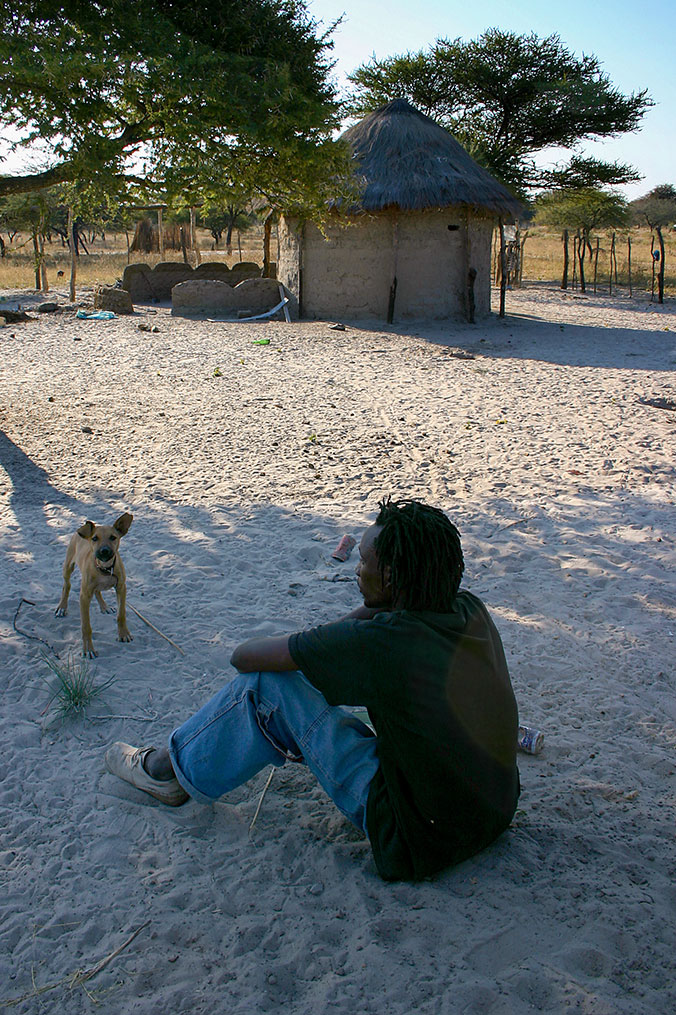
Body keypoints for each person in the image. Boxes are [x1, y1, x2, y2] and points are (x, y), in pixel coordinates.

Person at [105, 497, 520, 882]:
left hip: (416, 838)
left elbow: (244, 658)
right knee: (328, 688)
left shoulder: (387, 644)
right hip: (491, 811)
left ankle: (168, 771)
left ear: (391, 577)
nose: (358, 571)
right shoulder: (469, 608)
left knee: (265, 688)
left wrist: (341, 631)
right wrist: (380, 607)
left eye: (364, 562)